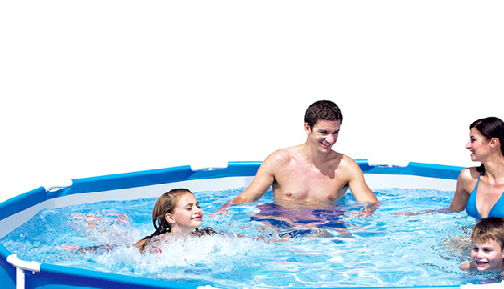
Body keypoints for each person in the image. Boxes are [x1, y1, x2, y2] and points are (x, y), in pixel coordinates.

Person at [214, 100, 378, 216]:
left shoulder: (346, 167)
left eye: (335, 132)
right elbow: (247, 197)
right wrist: (227, 206)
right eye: (323, 132)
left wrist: (366, 210)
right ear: (307, 128)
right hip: (283, 226)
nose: (331, 139)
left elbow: (369, 201)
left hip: (324, 227)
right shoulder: (279, 161)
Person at [449, 117, 504, 229]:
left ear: (493, 142)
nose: (467, 145)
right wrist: (429, 212)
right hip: (473, 239)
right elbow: (452, 212)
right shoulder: (467, 177)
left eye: (473, 139)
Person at [135, 188, 217, 252]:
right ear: (170, 218)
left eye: (198, 206)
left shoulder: (207, 236)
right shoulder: (157, 245)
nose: (198, 210)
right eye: (189, 208)